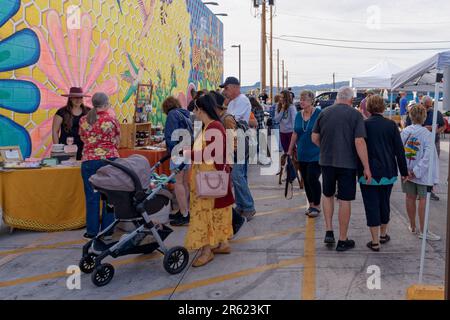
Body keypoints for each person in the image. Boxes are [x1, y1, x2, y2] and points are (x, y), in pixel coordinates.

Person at [312, 86, 372, 252]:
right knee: (344, 200)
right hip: (347, 163)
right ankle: (342, 239)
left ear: (337, 97)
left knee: (328, 194)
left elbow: (314, 137)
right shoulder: (355, 115)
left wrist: (324, 148)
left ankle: (329, 230)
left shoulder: (323, 112)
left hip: (326, 161)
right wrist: (366, 167)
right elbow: (359, 141)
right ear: (351, 100)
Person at [184, 94, 234, 267]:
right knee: (216, 211)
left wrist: (187, 153)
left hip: (207, 178)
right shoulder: (213, 126)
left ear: (201, 110)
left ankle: (206, 250)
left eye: (195, 110)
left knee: (203, 213)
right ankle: (222, 243)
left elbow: (210, 154)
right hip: (211, 176)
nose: (194, 113)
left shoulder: (213, 127)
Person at [358, 95, 409, 251]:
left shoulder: (363, 125)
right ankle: (383, 234)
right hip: (388, 172)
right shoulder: (391, 125)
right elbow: (399, 150)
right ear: (382, 107)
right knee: (384, 202)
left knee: (371, 205)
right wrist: (404, 171)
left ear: (368, 108)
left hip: (368, 173)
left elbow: (357, 149)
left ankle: (374, 241)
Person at [79, 92, 120, 239]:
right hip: (109, 160)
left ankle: (92, 231)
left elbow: (83, 138)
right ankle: (107, 229)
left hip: (89, 160)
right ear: (106, 103)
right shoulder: (111, 119)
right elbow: (117, 139)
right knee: (109, 196)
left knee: (92, 196)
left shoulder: (84, 119)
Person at [209, 90, 247, 236]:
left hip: (228, 159)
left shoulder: (226, 118)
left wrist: (229, 162)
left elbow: (233, 140)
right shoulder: (217, 119)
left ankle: (241, 214)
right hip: (221, 159)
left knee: (227, 190)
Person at [401, 104, 440, 241]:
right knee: (423, 199)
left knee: (410, 197)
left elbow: (400, 153)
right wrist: (416, 171)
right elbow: (427, 157)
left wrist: (406, 170)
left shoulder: (405, 131)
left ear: (410, 116)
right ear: (424, 117)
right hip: (422, 174)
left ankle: (412, 226)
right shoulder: (427, 134)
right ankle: (423, 230)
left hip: (407, 172)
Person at [221, 76, 256, 220]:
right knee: (239, 175)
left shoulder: (241, 100)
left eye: (227, 88)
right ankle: (242, 206)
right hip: (236, 139)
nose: (225, 91)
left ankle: (248, 207)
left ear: (236, 87)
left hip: (240, 139)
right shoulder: (233, 101)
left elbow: (230, 118)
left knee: (237, 175)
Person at [287, 90, 321, 218]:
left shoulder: (319, 113)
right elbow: (295, 133)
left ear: (311, 101)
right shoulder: (298, 115)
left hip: (317, 152)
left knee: (312, 177)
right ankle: (311, 204)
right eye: (300, 99)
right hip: (302, 153)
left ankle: (317, 205)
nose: (301, 102)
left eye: (304, 100)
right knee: (305, 180)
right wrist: (289, 150)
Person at [404, 95, 445, 201]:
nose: (428, 107)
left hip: (432, 141)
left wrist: (434, 130)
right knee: (412, 197)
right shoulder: (412, 122)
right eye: (426, 105)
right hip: (413, 159)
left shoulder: (436, 113)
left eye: (429, 106)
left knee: (418, 195)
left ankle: (430, 190)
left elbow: (443, 126)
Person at [162, 96, 193, 226]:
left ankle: (184, 213)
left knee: (178, 183)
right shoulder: (184, 113)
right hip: (188, 148)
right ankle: (184, 210)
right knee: (185, 182)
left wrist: (170, 148)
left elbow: (171, 136)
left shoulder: (172, 115)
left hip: (178, 150)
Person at [52, 87, 91, 160]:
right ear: (70, 98)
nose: (78, 100)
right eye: (75, 97)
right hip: (66, 147)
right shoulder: (62, 112)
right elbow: (55, 131)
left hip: (84, 146)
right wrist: (57, 148)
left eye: (80, 97)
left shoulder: (88, 111)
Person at [274, 90, 297, 154]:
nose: (281, 99)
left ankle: (291, 164)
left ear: (286, 98)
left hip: (291, 132)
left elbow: (294, 120)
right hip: (282, 132)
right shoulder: (278, 106)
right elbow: (276, 119)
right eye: (280, 97)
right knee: (285, 151)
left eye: (283, 97)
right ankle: (288, 163)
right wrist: (282, 109)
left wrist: (294, 133)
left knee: (293, 151)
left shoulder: (291, 107)